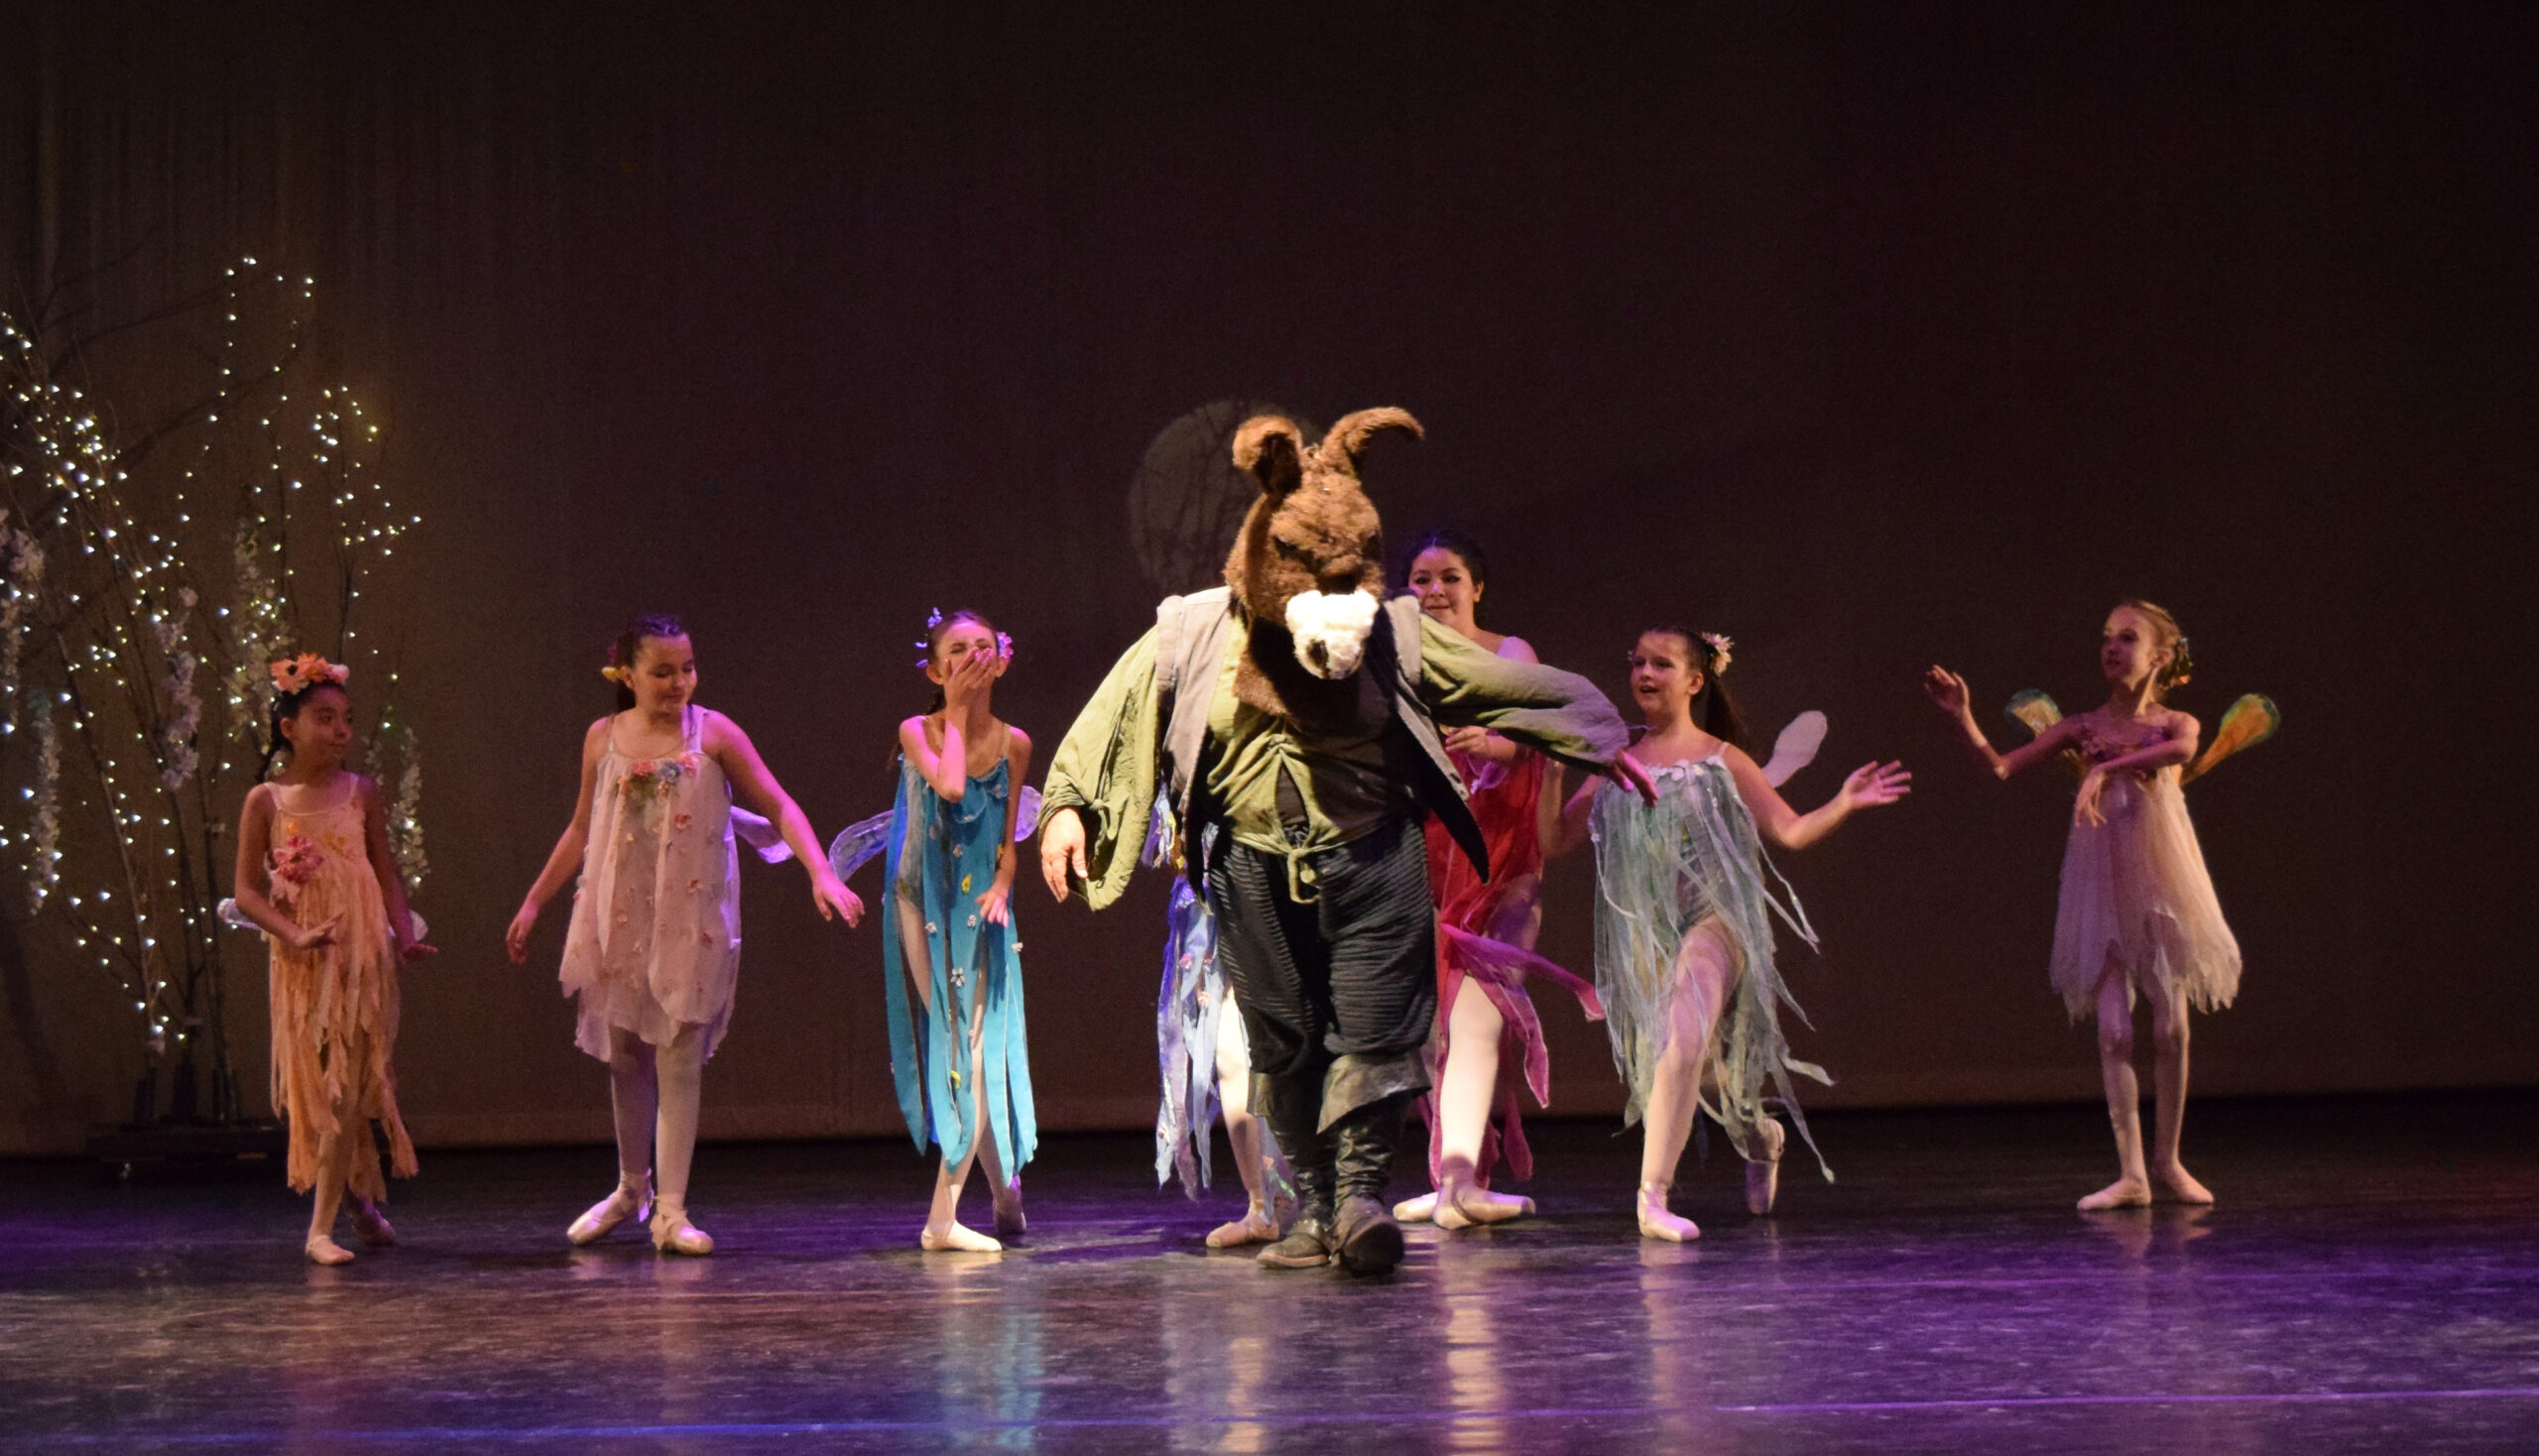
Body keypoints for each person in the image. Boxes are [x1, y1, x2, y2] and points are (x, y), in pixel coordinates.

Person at [1038, 408, 1649, 1277]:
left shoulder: (1388, 629)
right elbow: (1121, 711)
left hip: (1369, 857)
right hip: (1250, 863)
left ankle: (1359, 1197)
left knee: (1376, 1027)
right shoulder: (1197, 627)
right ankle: (1314, 1206)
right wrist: (1069, 807)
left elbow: (1499, 683)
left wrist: (1593, 734)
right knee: (1282, 1038)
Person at [506, 614, 860, 1255]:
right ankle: (631, 1189)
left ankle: (671, 1211)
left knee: (678, 1053)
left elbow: (779, 804)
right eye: (662, 672)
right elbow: (582, 826)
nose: (679, 682)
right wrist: (534, 901)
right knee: (624, 1053)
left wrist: (821, 874)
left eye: (687, 668)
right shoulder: (603, 738)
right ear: (628, 675)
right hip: (621, 915)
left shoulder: (714, 732)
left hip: (691, 917)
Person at [1548, 627, 1907, 1241]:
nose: (1645, 673)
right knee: (1701, 1069)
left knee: (1682, 1041)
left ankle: (1652, 1198)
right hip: (1650, 936)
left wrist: (1844, 802)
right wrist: (1554, 771)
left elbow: (1789, 831)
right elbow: (1555, 841)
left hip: (1717, 919)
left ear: (1695, 680)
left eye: (1662, 664)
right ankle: (1762, 1135)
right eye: (1638, 661)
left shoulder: (1722, 759)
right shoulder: (1613, 760)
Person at [1923, 600, 2240, 1209]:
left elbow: (2179, 752)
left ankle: (2168, 1160)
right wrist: (1963, 717)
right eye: (2106, 637)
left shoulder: (2176, 721)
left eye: (2128, 638)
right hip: (2102, 880)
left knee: (2171, 1025)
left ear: (2161, 657)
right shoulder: (2081, 725)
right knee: (2115, 1031)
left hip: (2163, 878)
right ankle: (2132, 1175)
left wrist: (2104, 770)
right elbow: (2001, 768)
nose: (2112, 647)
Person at [1389, 530, 1603, 1231]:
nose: (1435, 591)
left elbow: (1536, 733)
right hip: (1422, 859)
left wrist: (1496, 744)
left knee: (1478, 1014)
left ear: (1476, 588)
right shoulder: (1399, 660)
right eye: (1421, 579)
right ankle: (1457, 1176)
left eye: (1449, 577)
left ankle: (1458, 1181)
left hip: (1501, 862)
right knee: (1430, 1028)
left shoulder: (1509, 653)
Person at [229, 655, 435, 1265]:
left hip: (358, 955)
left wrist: (403, 934)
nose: (341, 730)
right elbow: (245, 891)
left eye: (345, 718)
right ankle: (356, 1204)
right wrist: (293, 935)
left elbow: (385, 871)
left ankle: (321, 1229)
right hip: (304, 963)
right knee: (318, 1090)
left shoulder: (362, 792)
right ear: (289, 728)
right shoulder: (266, 801)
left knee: (348, 1086)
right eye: (324, 718)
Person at [876, 609, 1037, 1252]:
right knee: (958, 1047)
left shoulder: (1015, 743)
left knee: (976, 1048)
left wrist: (1002, 886)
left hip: (981, 910)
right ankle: (962, 1211)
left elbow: (1007, 845)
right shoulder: (917, 729)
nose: (972, 658)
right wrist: (958, 709)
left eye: (983, 647)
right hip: (923, 903)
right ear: (936, 669)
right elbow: (948, 786)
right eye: (958, 650)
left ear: (1002, 659)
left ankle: (983, 1202)